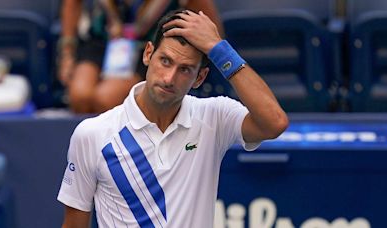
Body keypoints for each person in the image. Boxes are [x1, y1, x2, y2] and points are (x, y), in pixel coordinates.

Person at [57, 9, 288, 227]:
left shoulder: (215, 117)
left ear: (200, 78)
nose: (169, 78)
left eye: (185, 69)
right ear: (148, 54)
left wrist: (220, 49)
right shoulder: (92, 134)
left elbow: (274, 122)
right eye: (165, 61)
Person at [58, 0, 223, 113]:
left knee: (106, 99)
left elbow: (211, 28)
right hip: (102, 41)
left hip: (150, 48)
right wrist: (67, 54)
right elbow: (72, 3)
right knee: (79, 96)